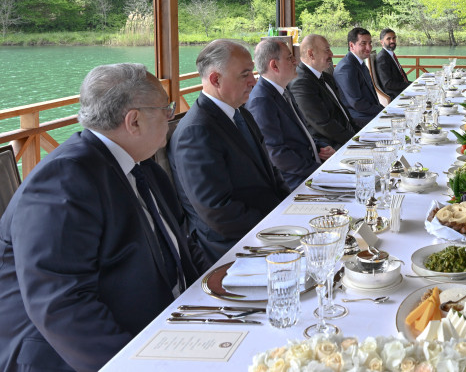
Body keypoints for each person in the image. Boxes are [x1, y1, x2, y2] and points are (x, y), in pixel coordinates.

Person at [0, 64, 209, 372]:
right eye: (165, 109)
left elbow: (179, 245)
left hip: (163, 326)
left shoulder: (142, 166)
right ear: (134, 121)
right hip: (75, 357)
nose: (170, 116)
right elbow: (62, 304)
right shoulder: (64, 180)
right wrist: (135, 366)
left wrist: (221, 288)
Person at [169, 39, 290, 263]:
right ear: (215, 79)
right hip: (230, 247)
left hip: (266, 224)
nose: (254, 81)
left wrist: (291, 208)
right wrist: (276, 225)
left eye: (252, 72)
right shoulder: (196, 131)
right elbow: (218, 212)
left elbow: (271, 173)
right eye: (245, 75)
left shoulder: (240, 113)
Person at [245, 38, 334, 191]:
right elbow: (277, 155)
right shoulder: (261, 100)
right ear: (274, 65)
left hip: (310, 167)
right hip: (294, 183)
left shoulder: (282, 90)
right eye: (290, 58)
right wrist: (318, 171)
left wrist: (321, 146)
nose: (296, 61)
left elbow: (301, 132)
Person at [290, 34, 361, 149]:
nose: (331, 54)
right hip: (329, 146)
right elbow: (323, 124)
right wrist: (356, 140)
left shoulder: (326, 77)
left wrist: (361, 134)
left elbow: (343, 113)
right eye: (327, 50)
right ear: (311, 54)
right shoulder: (301, 83)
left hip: (345, 136)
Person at [333, 27, 384, 124]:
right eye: (363, 43)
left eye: (370, 43)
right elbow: (357, 103)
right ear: (351, 45)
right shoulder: (346, 68)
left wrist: (383, 109)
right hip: (358, 119)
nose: (369, 48)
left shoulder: (359, 63)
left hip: (368, 113)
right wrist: (383, 111)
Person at [374, 28, 411, 99]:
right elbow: (388, 84)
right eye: (388, 39)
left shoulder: (390, 55)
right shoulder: (382, 58)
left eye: (394, 38)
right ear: (382, 42)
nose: (392, 41)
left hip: (402, 90)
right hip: (395, 95)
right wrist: (409, 85)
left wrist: (412, 84)